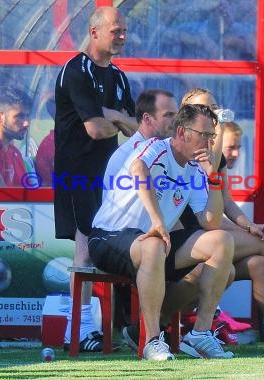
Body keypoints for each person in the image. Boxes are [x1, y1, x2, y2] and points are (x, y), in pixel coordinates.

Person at [176, 88, 264, 350]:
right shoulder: (182, 152)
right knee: (263, 245)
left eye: (215, 109)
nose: (214, 115)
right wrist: (245, 229)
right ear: (187, 114)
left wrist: (249, 226)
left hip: (207, 237)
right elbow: (205, 218)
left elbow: (225, 203)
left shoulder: (211, 155)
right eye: (206, 110)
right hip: (189, 244)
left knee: (259, 263)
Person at [90, 104, 235, 361]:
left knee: (222, 241)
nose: (209, 142)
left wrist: (213, 177)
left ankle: (201, 333)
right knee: (155, 243)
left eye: (212, 137)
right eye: (204, 134)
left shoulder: (194, 169)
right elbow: (138, 169)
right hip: (108, 237)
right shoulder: (157, 147)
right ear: (181, 132)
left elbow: (210, 222)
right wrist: (157, 221)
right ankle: (152, 341)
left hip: (154, 245)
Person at [53, 6, 138, 352]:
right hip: (78, 174)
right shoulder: (77, 71)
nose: (121, 36)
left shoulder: (118, 77)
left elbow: (135, 130)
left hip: (110, 177)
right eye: (115, 30)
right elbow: (96, 129)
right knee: (86, 249)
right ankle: (81, 328)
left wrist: (115, 114)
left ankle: (113, 327)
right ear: (94, 32)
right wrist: (115, 121)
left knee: (111, 247)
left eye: (123, 31)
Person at [0, 86, 31, 187]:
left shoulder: (14, 153)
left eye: (27, 116)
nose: (26, 123)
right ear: (0, 117)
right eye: (19, 116)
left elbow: (26, 195)